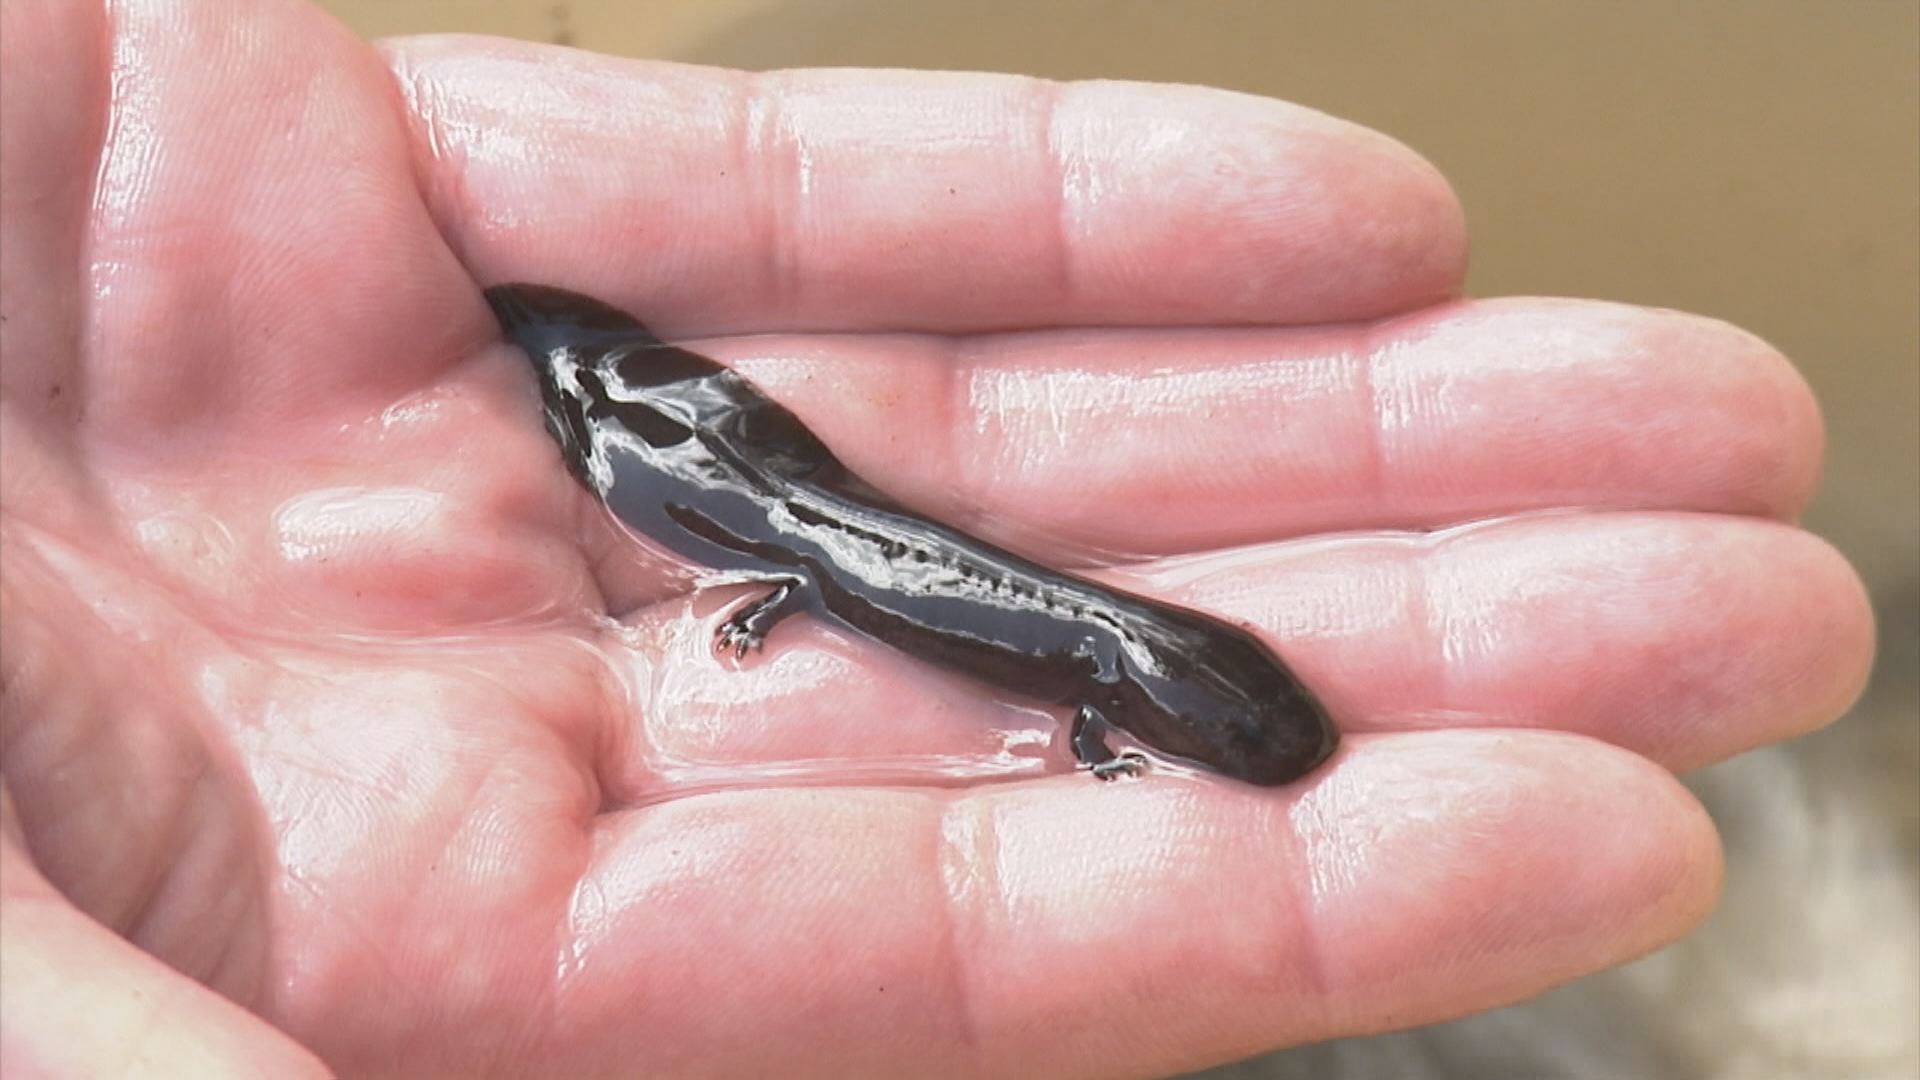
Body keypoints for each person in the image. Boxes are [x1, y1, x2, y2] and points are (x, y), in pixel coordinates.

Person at [0, 1, 1874, 1076]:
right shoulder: (1093, 662)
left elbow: (1067, 663)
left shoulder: (1102, 653)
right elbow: (1027, 655)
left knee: (783, 508)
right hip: (827, 542)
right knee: (775, 508)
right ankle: (584, 382)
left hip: (838, 537)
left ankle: (604, 397)